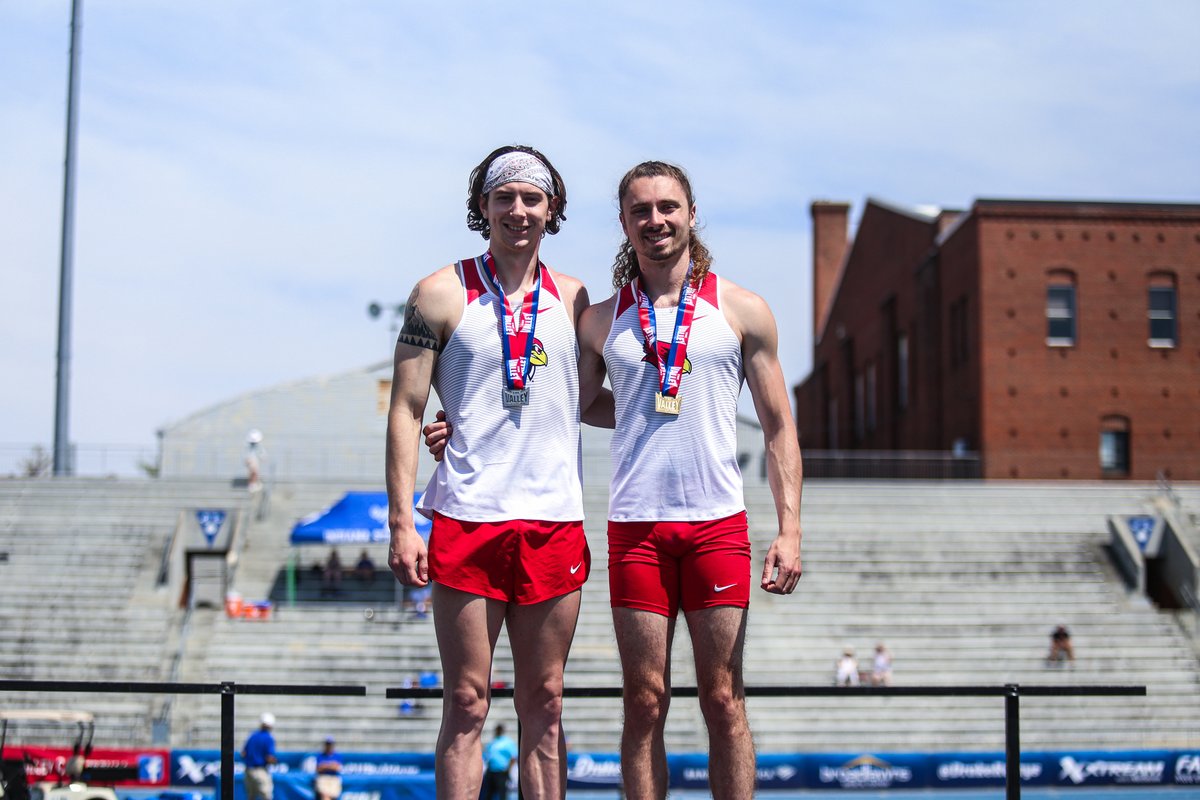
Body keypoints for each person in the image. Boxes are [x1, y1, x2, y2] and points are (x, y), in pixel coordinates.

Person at [574, 160, 804, 799]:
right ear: (623, 223)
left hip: (716, 528)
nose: (656, 221)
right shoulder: (598, 320)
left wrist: (790, 531)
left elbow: (779, 426)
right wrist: (458, 421)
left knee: (723, 698)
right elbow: (565, 404)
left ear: (691, 213)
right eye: (641, 211)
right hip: (637, 528)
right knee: (644, 703)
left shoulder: (742, 309)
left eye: (668, 207)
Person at [386, 145, 609, 800]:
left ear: (553, 209)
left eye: (532, 198)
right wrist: (403, 521)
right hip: (467, 516)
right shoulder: (435, 293)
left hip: (553, 519)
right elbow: (405, 408)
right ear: (481, 206)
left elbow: (585, 402)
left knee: (545, 702)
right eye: (504, 197)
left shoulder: (576, 298)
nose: (518, 210)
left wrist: (671, 410)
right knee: (466, 700)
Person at [242, 712, 278, 800]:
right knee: (266, 795)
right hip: (260, 770)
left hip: (248, 770)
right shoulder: (268, 738)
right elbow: (269, 757)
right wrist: (275, 761)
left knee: (251, 797)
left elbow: (243, 753)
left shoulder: (252, 735)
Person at [480, 724, 518, 800]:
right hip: (491, 771)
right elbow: (487, 754)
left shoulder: (507, 742)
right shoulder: (493, 742)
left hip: (501, 772)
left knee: (501, 793)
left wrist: (508, 769)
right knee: (488, 794)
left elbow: (513, 756)